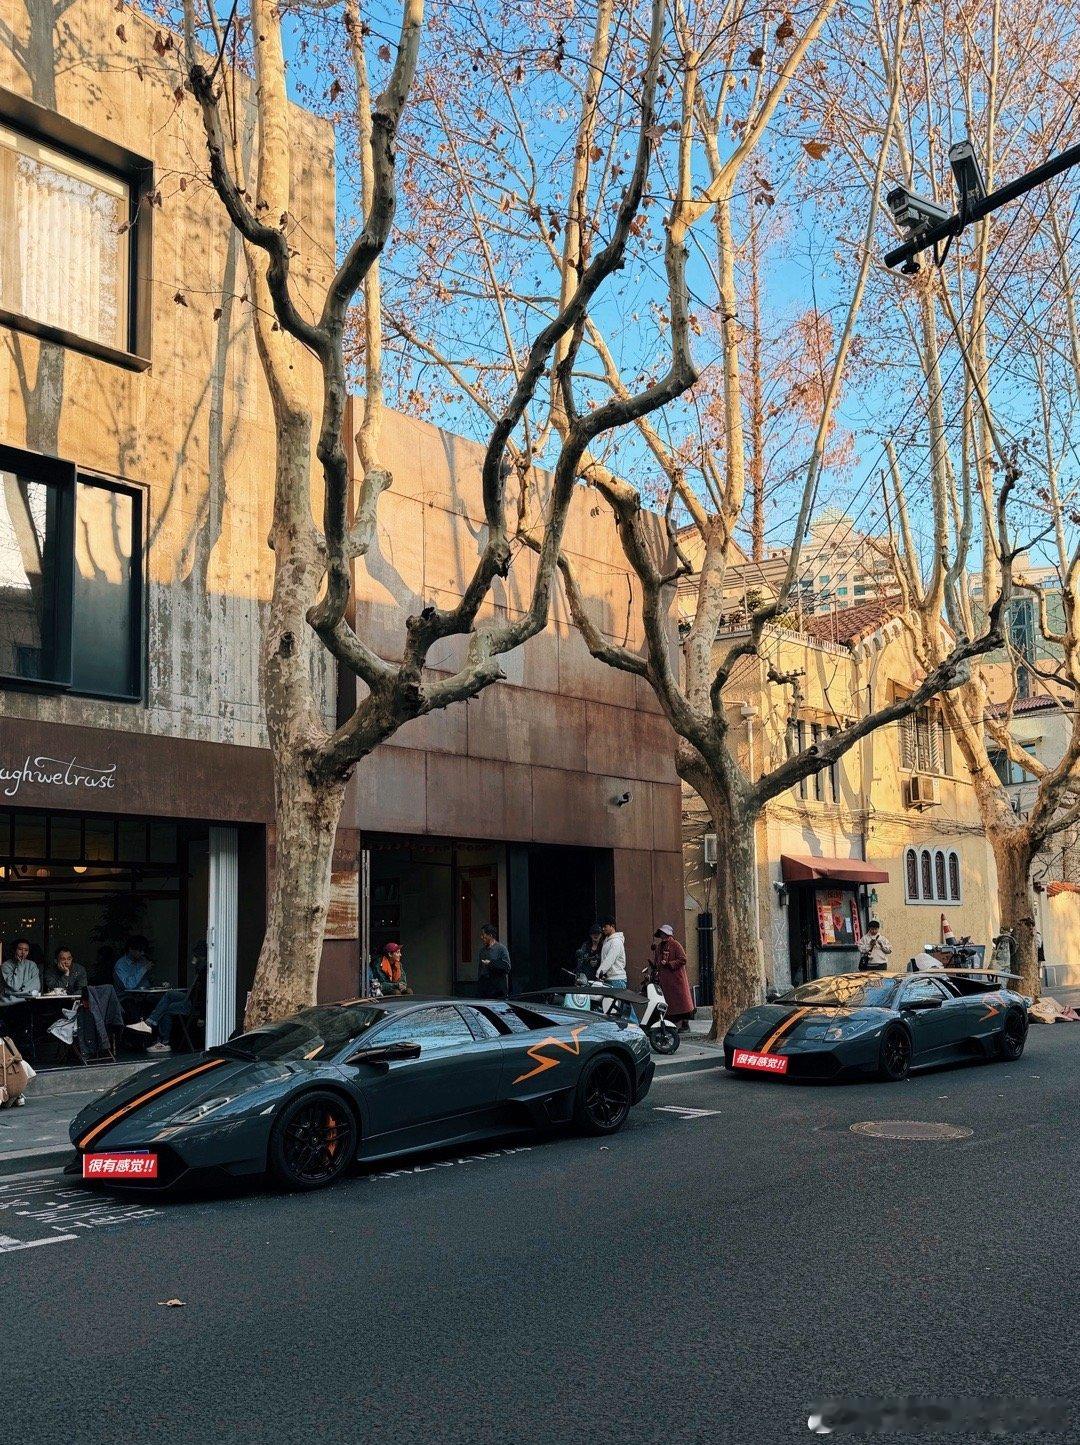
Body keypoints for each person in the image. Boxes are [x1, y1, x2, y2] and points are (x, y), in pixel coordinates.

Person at [648, 924, 695, 1032]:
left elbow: (683, 959)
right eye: (661, 933)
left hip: (676, 979)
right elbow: (657, 961)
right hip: (665, 980)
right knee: (669, 1002)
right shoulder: (659, 947)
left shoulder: (675, 945)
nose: (662, 935)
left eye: (664, 933)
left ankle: (685, 1024)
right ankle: (670, 1024)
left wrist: (670, 964)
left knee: (682, 1002)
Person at [477, 925, 512, 999]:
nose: (481, 937)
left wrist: (491, 963)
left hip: (498, 990)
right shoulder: (482, 951)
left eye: (483, 935)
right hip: (484, 989)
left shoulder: (501, 949)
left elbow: (507, 967)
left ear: (490, 935)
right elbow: (480, 970)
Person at [595, 918, 627, 989]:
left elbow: (609, 959)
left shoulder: (616, 942)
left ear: (612, 926)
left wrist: (599, 974)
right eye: (602, 927)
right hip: (609, 979)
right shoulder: (607, 941)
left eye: (605, 926)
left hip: (617, 980)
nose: (603, 929)